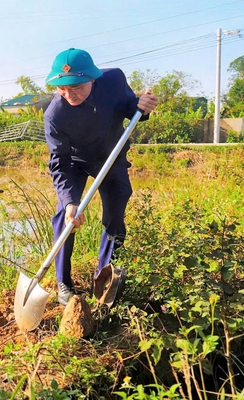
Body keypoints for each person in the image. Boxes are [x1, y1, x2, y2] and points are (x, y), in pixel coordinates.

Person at [43, 48, 158, 305]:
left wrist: (143, 106)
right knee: (66, 215)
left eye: (76, 87)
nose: (69, 94)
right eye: (62, 88)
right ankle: (64, 282)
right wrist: (71, 201)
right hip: (73, 161)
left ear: (92, 79)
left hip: (110, 156)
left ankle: (105, 278)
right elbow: (58, 163)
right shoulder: (55, 114)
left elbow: (131, 108)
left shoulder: (114, 80)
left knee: (116, 212)